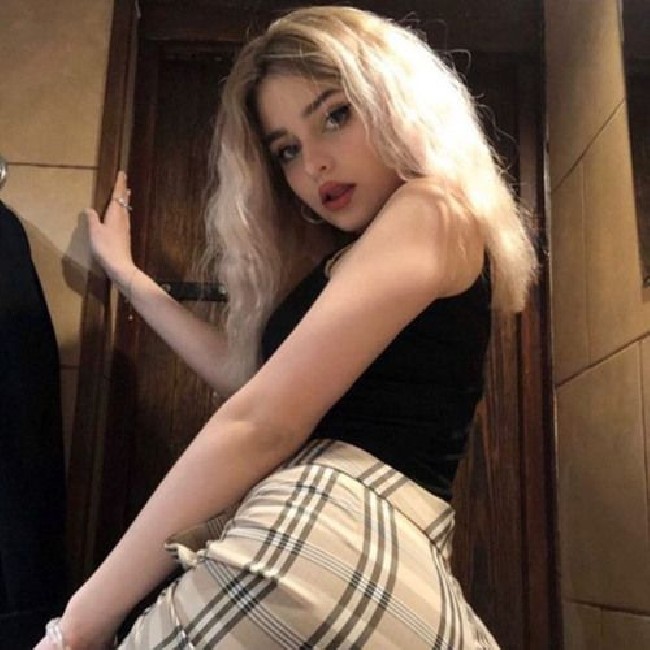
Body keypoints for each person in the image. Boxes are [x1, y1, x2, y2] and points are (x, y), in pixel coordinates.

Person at [36, 5, 536, 649]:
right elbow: (245, 377)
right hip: (341, 546)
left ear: (397, 102)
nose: (314, 164)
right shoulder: (364, 251)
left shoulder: (432, 208)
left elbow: (263, 420)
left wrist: (77, 625)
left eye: (336, 115)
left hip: (324, 533)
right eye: (288, 151)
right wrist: (130, 277)